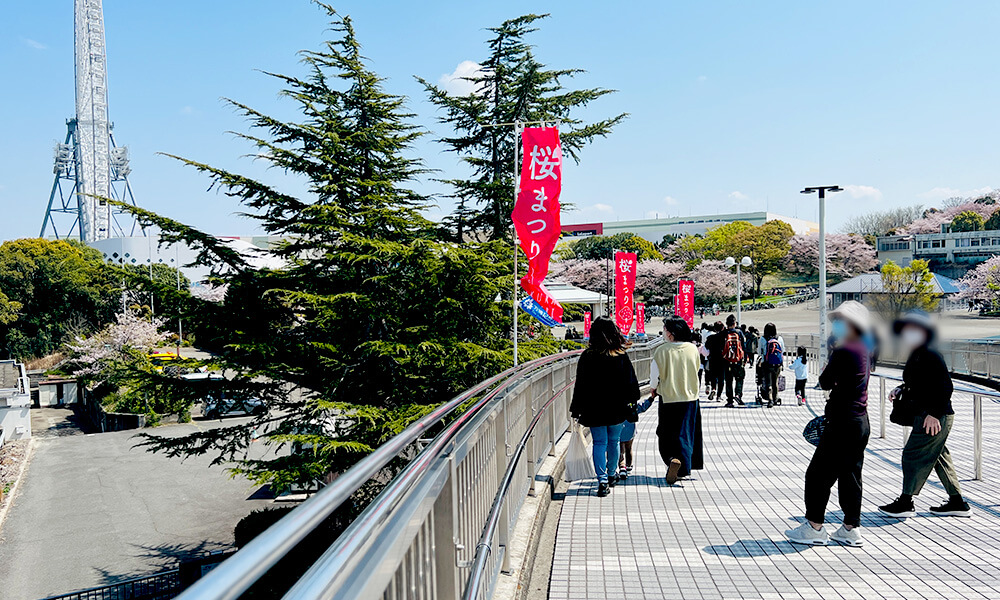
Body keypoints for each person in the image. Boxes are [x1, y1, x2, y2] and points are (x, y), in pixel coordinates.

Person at [785, 301, 872, 547]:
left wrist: (831, 360)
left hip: (841, 421)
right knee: (850, 475)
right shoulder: (863, 349)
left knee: (818, 475)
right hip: (860, 421)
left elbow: (824, 381)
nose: (837, 326)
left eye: (841, 322)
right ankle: (850, 528)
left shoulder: (845, 350)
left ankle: (814, 527)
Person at [879, 311, 972, 518]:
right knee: (939, 456)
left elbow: (945, 387)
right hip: (932, 415)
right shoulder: (919, 352)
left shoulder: (930, 353)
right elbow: (921, 382)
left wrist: (933, 414)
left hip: (935, 416)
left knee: (912, 454)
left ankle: (905, 502)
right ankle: (957, 502)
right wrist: (902, 389)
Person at [570, 316, 640, 497]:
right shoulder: (620, 355)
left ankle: (601, 479)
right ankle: (611, 474)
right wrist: (633, 401)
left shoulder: (588, 356)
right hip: (617, 407)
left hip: (594, 408)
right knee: (614, 441)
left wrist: (576, 408)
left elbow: (581, 384)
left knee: (599, 442)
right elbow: (632, 383)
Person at [649, 316, 703, 484]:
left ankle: (671, 458)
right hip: (689, 398)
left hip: (668, 398)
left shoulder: (661, 351)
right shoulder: (693, 349)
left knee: (666, 432)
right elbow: (697, 370)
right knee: (686, 433)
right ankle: (683, 467)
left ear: (671, 334)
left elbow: (653, 376)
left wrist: (653, 389)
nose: (663, 332)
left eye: (665, 329)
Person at [618, 395, 654, 480]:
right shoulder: (631, 405)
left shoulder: (617, 404)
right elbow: (642, 407)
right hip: (630, 430)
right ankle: (629, 465)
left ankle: (622, 466)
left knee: (620, 450)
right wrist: (651, 399)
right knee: (629, 448)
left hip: (618, 429)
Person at [721, 314, 747, 407]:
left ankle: (730, 400)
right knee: (739, 378)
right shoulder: (739, 332)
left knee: (728, 380)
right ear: (735, 323)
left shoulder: (724, 333)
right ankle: (738, 395)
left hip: (727, 361)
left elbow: (722, 348)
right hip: (738, 360)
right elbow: (744, 347)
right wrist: (745, 358)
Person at [758, 322, 785, 408]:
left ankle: (770, 400)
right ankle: (775, 398)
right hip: (777, 364)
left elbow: (759, 352)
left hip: (766, 364)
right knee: (775, 381)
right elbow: (783, 350)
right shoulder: (779, 338)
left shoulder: (762, 339)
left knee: (768, 382)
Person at [705, 322, 725, 400]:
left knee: (713, 376)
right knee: (721, 378)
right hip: (722, 359)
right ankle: (719, 396)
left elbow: (706, 347)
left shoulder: (710, 338)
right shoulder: (724, 338)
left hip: (712, 359)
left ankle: (713, 388)